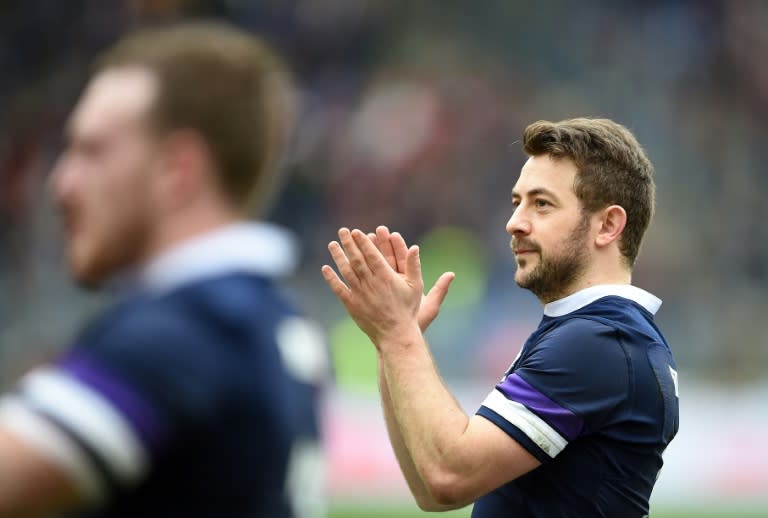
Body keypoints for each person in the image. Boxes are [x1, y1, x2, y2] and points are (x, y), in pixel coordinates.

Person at [0, 22, 328, 518]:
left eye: (92, 151)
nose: (61, 183)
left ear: (178, 169)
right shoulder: (263, 315)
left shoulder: (184, 334)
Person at [321, 117, 679, 517]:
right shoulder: (597, 336)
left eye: (542, 204)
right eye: (517, 202)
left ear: (608, 225)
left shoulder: (598, 345)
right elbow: (428, 488)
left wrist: (399, 335)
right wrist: (395, 342)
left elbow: (448, 477)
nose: (515, 222)